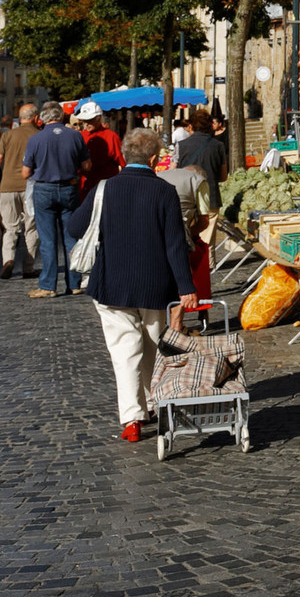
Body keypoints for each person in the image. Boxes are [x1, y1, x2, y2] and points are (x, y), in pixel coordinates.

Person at [65, 125, 197, 440]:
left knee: (125, 351)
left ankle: (132, 419)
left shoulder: (103, 189)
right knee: (153, 345)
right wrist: (186, 287)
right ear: (154, 159)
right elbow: (175, 246)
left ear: (124, 156)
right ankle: (155, 403)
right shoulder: (164, 191)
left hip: (111, 282)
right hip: (155, 284)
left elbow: (74, 227)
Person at [23, 103, 86, 297]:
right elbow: (87, 165)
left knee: (48, 240)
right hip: (69, 188)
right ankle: (74, 283)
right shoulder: (75, 136)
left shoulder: (35, 139)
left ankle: (48, 286)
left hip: (44, 189)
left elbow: (25, 172)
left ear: (42, 118)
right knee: (71, 238)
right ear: (61, 116)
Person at [0, 104, 41, 280]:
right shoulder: (39, 135)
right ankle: (28, 266)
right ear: (35, 117)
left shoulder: (8, 135)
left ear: (20, 118)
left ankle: (8, 260)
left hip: (7, 187)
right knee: (32, 228)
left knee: (10, 228)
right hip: (31, 187)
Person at [158, 147, 214, 302]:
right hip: (179, 235)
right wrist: (189, 234)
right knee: (182, 279)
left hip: (151, 233)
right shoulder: (198, 181)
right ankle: (178, 316)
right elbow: (203, 221)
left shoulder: (160, 175)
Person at [174, 105, 227, 211]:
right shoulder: (218, 145)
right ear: (210, 126)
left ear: (190, 126)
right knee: (209, 221)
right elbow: (223, 177)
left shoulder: (180, 145)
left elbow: (173, 171)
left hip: (186, 199)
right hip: (211, 199)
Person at [73, 103, 126, 191]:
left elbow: (122, 162)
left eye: (89, 120)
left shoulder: (111, 136)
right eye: (84, 120)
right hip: (85, 186)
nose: (86, 123)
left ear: (98, 118)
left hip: (105, 186)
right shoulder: (80, 136)